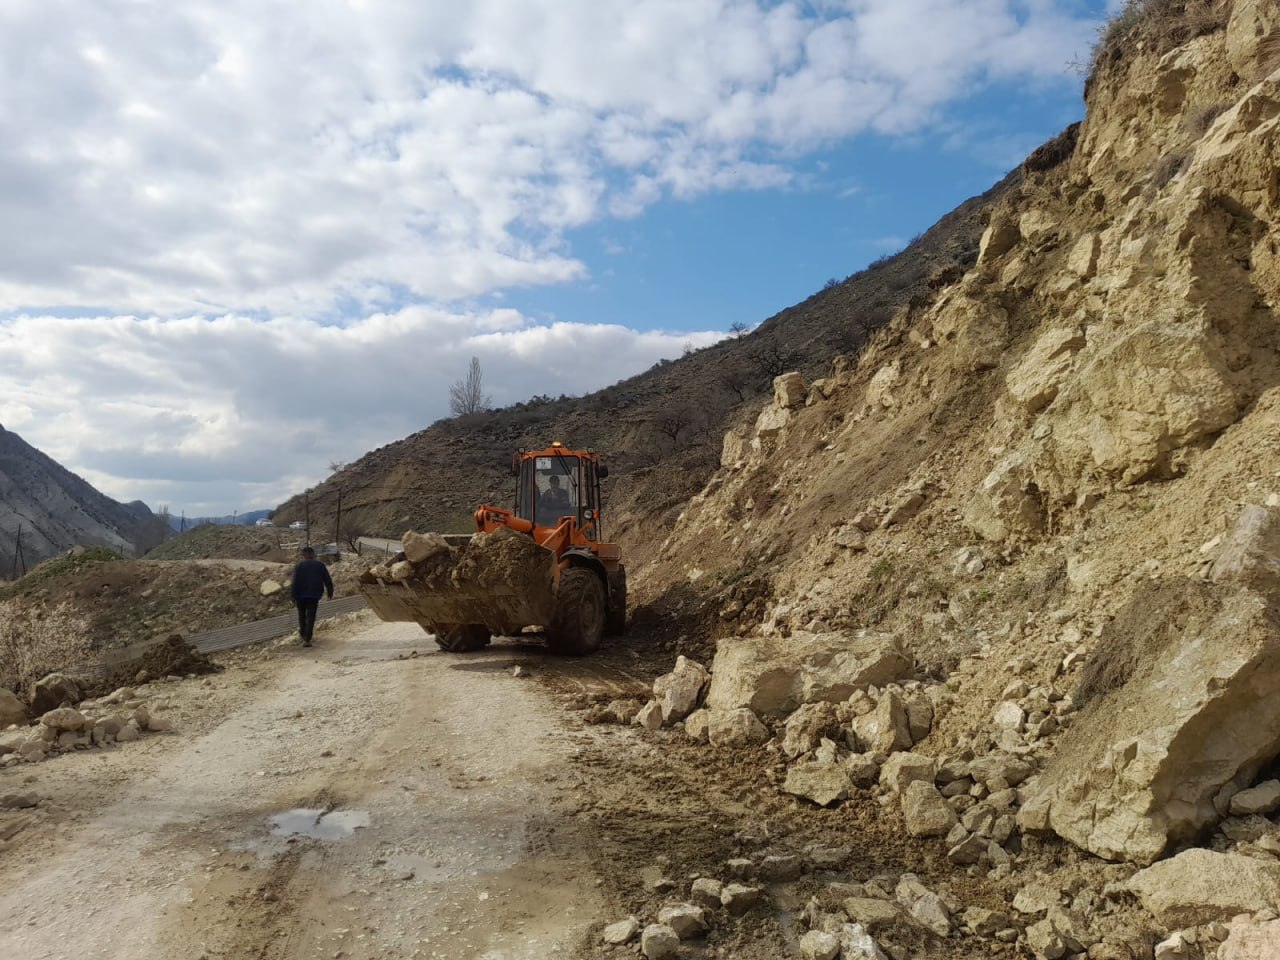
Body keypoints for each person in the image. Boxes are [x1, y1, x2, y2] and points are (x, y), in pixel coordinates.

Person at [291, 546, 333, 647]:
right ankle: (307, 638)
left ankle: (303, 634)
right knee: (311, 616)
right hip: (314, 595)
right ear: (313, 554)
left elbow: (294, 582)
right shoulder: (320, 565)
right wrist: (330, 592)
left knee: (301, 615)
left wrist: (293, 596)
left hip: (300, 596)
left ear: (304, 554)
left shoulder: (299, 565)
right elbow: (327, 580)